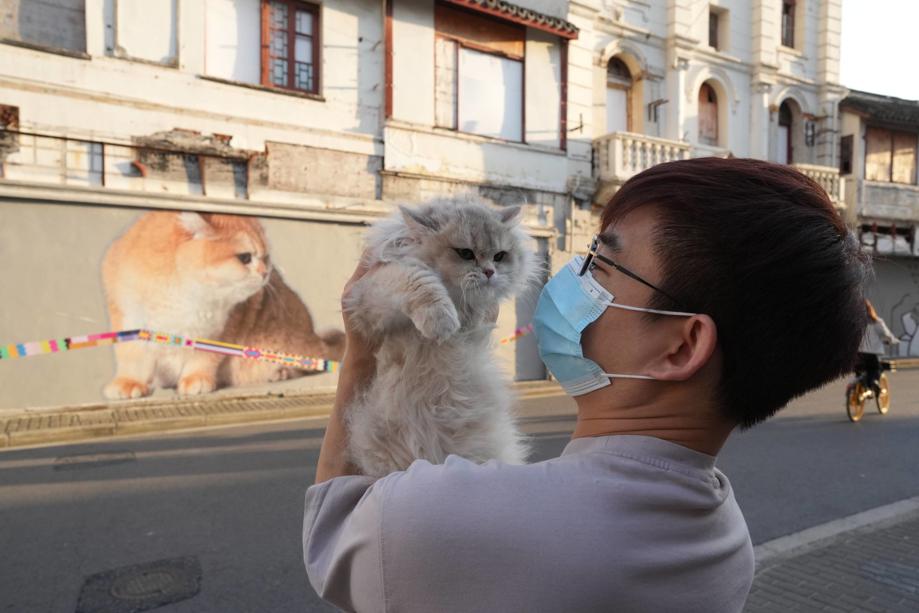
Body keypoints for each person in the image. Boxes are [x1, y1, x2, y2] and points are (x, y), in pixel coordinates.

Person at [303, 157, 870, 612]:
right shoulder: (723, 538)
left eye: (603, 263)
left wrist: (362, 347)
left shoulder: (445, 515)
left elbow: (333, 531)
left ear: (681, 346)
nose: (573, 275)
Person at [857, 299, 898, 391]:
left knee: (859, 368)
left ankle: (859, 386)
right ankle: (873, 383)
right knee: (876, 368)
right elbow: (886, 334)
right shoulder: (876, 321)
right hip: (871, 352)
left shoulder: (854, 322)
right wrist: (893, 340)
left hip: (858, 352)